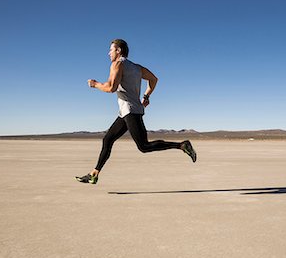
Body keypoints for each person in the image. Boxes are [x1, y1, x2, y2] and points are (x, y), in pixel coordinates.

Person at [76, 39, 196, 184]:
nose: (109, 53)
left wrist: (95, 84)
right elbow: (154, 79)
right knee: (107, 139)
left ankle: (182, 145)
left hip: (131, 111)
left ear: (118, 51)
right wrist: (146, 96)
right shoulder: (137, 67)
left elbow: (111, 88)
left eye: (111, 50)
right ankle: (94, 174)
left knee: (144, 146)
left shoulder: (117, 64)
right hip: (126, 111)